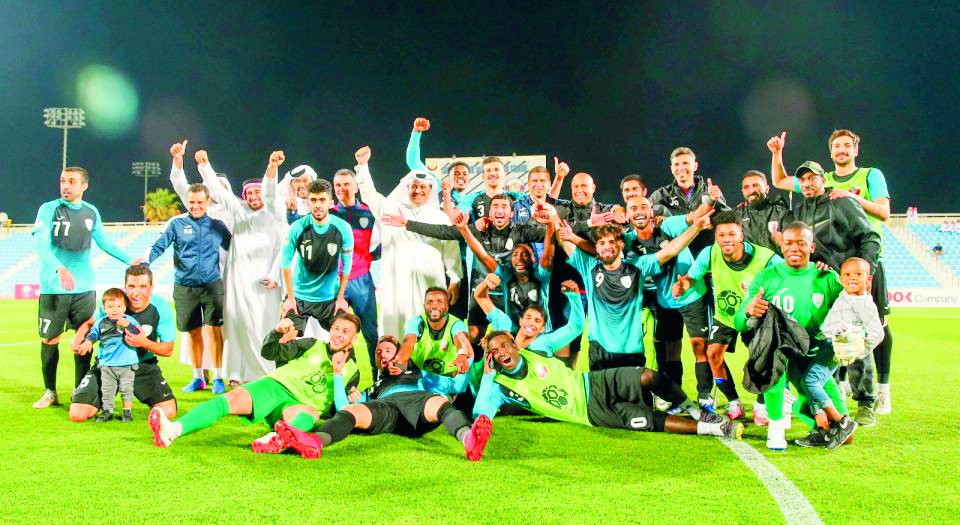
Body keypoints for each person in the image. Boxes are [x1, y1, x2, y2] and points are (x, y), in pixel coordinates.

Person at [767, 134, 883, 426]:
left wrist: (862, 272)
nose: (807, 183)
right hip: (819, 283)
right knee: (827, 343)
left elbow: (870, 237)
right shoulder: (799, 210)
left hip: (845, 284)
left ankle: (866, 401)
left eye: (812, 178)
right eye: (802, 179)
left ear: (823, 180)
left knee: (853, 341)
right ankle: (827, 397)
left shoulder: (840, 201)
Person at [148, 313, 362, 458]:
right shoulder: (311, 344)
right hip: (274, 386)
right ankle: (173, 430)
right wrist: (277, 332)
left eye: (345, 331)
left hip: (298, 407)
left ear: (352, 339)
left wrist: (336, 374)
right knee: (226, 401)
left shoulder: (352, 371)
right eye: (335, 328)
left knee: (311, 414)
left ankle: (276, 438)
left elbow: (341, 409)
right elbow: (269, 353)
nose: (338, 334)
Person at [473, 331, 741, 439]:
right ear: (492, 357)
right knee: (650, 420)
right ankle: (715, 428)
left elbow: (575, 325)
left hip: (595, 382)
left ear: (514, 345)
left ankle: (693, 410)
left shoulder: (538, 349)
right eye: (495, 351)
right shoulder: (500, 386)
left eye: (504, 345)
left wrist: (572, 298)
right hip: (591, 414)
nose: (501, 352)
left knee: (648, 376)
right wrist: (486, 377)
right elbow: (480, 414)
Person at [736, 222, 855, 450]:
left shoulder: (827, 278)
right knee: (774, 354)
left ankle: (801, 407)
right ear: (781, 246)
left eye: (801, 243)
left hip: (814, 360)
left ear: (811, 247)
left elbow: (852, 310)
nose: (794, 248)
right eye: (788, 243)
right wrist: (749, 310)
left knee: (844, 435)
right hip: (782, 354)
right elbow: (739, 322)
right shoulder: (766, 277)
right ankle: (776, 426)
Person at [275, 336, 492, 461]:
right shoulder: (374, 388)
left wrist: (468, 358)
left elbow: (456, 386)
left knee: (439, 403)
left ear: (399, 354)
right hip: (385, 407)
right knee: (352, 412)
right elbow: (343, 406)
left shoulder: (420, 374)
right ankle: (314, 442)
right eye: (378, 353)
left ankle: (469, 440)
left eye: (387, 350)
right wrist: (338, 375)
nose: (382, 355)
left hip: (418, 402)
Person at [556, 212, 714, 371]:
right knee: (603, 395)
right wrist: (550, 214)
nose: (607, 247)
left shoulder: (638, 267)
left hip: (631, 351)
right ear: (596, 247)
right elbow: (562, 239)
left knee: (637, 392)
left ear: (621, 245)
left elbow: (671, 251)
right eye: (602, 243)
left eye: (612, 242)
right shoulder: (588, 267)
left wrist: (696, 227)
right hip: (599, 351)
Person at [32, 166, 135, 409]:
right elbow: (40, 243)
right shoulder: (48, 209)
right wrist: (59, 268)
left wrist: (129, 260)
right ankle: (50, 391)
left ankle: (79, 389)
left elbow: (104, 242)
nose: (65, 186)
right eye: (62, 181)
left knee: (85, 337)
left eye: (71, 181)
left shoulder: (92, 212)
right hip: (54, 288)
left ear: (84, 186)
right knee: (50, 339)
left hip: (84, 289)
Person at [383, 194, 547, 345]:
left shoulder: (521, 231)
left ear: (511, 213)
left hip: (511, 296)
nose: (499, 209)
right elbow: (444, 231)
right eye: (495, 206)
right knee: (474, 337)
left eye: (504, 206)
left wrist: (550, 220)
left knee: (515, 341)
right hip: (481, 293)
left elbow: (550, 235)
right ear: (489, 212)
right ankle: (475, 374)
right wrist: (407, 223)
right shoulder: (479, 231)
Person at [674, 211, 782, 423]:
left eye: (732, 234)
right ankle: (734, 402)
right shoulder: (710, 253)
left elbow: (790, 271)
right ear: (716, 237)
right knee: (713, 354)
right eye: (722, 235)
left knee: (761, 360)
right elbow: (690, 277)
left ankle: (761, 405)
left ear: (741, 236)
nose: (726, 239)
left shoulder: (765, 258)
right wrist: (682, 285)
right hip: (725, 316)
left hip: (756, 316)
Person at [195, 147, 286, 384]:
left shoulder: (274, 212)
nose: (255, 197)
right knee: (236, 327)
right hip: (237, 281)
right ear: (244, 196)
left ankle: (264, 375)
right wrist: (204, 165)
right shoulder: (239, 210)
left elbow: (282, 250)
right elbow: (217, 190)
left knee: (261, 327)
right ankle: (236, 375)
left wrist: (272, 168)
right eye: (250, 193)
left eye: (258, 192)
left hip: (265, 283)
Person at [354, 145, 462, 340]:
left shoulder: (440, 217)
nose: (418, 190)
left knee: (431, 332)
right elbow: (369, 195)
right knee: (395, 331)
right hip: (397, 285)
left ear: (431, 189)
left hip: (430, 282)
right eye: (414, 186)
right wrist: (363, 167)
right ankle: (393, 367)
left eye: (423, 187)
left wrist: (454, 279)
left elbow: (451, 252)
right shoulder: (391, 209)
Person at [622, 196, 712, 411]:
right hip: (665, 300)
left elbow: (696, 215)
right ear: (628, 215)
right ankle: (677, 398)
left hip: (693, 295)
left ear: (651, 211)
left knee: (700, 347)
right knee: (671, 350)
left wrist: (710, 200)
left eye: (644, 206)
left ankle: (705, 397)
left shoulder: (668, 225)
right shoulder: (626, 241)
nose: (639, 211)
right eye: (633, 208)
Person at [148, 165, 232, 394]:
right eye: (192, 202)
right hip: (185, 287)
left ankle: (218, 377)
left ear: (208, 202)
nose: (195, 206)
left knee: (215, 331)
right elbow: (160, 246)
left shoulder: (217, 226)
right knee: (193, 333)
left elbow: (234, 249)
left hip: (212, 286)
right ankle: (197, 378)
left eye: (200, 202)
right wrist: (146, 262)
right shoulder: (176, 224)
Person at [70, 264, 178, 423]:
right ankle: (99, 400)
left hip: (142, 365)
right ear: (125, 287)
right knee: (77, 414)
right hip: (107, 365)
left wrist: (143, 342)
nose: (136, 293)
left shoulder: (161, 307)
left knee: (168, 412)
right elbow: (90, 324)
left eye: (142, 287)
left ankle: (131, 399)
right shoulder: (114, 303)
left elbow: (168, 349)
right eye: (131, 286)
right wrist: (79, 337)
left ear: (151, 287)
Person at [799, 257, 883, 446]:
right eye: (847, 274)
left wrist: (857, 351)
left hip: (834, 347)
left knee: (810, 381)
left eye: (858, 274)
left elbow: (877, 334)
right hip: (823, 342)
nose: (852, 278)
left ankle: (841, 421)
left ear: (868, 279)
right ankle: (822, 430)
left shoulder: (864, 303)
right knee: (810, 382)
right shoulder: (846, 293)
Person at [280, 179, 354, 338]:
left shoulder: (343, 229)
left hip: (329, 299)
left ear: (331, 203)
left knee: (345, 337)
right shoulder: (298, 227)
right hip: (299, 297)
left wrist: (340, 298)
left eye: (322, 200)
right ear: (307, 203)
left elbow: (347, 264)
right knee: (285, 338)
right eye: (313, 200)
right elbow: (285, 261)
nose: (318, 205)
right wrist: (290, 298)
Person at [331, 167, 380, 378]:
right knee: (336, 332)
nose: (342, 189)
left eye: (346, 184)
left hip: (361, 279)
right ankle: (343, 376)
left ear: (356, 186)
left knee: (370, 331)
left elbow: (380, 244)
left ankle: (378, 377)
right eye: (338, 185)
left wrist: (373, 256)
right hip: (335, 281)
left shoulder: (370, 212)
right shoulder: (328, 213)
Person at [76, 288, 142, 423]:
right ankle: (107, 411)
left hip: (127, 363)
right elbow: (93, 334)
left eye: (119, 306)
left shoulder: (130, 320)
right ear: (104, 308)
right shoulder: (101, 322)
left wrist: (128, 326)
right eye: (110, 307)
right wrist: (88, 342)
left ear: (125, 308)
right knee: (107, 389)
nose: (115, 310)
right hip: (107, 364)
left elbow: (139, 335)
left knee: (126, 389)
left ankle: (127, 412)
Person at [649, 147, 729, 255]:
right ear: (672, 169)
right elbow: (640, 215)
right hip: (677, 258)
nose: (681, 168)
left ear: (695, 166)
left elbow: (727, 219)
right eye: (676, 164)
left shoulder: (710, 192)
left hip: (708, 257)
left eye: (685, 163)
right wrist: (618, 210)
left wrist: (713, 222)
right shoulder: (660, 195)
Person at [397, 287, 473, 377]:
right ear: (424, 306)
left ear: (447, 306)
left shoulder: (457, 324)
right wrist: (399, 362)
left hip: (448, 377)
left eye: (440, 302)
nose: (434, 306)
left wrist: (462, 354)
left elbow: (461, 340)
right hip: (420, 374)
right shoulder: (416, 322)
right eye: (430, 302)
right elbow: (408, 343)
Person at [734, 170, 790, 253]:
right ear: (742, 191)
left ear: (767, 188)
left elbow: (796, 246)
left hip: (777, 265)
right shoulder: (736, 215)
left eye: (756, 186)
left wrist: (783, 243)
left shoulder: (782, 213)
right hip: (748, 265)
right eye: (746, 187)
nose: (751, 191)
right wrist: (712, 200)